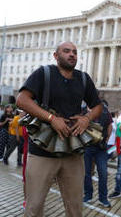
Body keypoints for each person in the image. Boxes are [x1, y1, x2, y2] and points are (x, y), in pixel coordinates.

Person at [16, 41, 102, 217]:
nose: (72, 54)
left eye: (75, 52)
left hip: (73, 153)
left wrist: (87, 118)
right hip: (42, 152)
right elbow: (22, 100)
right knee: (33, 208)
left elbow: (98, 106)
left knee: (75, 209)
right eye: (67, 51)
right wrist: (51, 118)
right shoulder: (43, 73)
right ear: (56, 56)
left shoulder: (83, 78)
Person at [83, 100, 112, 207]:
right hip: (87, 147)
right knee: (86, 173)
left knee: (103, 173)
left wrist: (107, 139)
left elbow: (110, 125)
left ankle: (103, 198)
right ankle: (88, 195)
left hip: (101, 147)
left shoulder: (104, 111)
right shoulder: (82, 111)